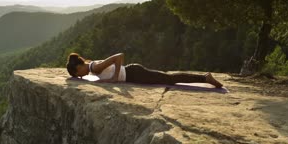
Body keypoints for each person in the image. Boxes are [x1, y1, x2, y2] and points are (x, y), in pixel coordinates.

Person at [65, 52, 224, 88]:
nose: (80, 77)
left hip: (134, 73)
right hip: (134, 74)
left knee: (170, 79)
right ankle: (204, 78)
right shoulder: (92, 68)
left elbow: (119, 56)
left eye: (77, 74)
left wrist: (114, 77)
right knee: (168, 79)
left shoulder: (95, 67)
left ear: (79, 67)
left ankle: (205, 78)